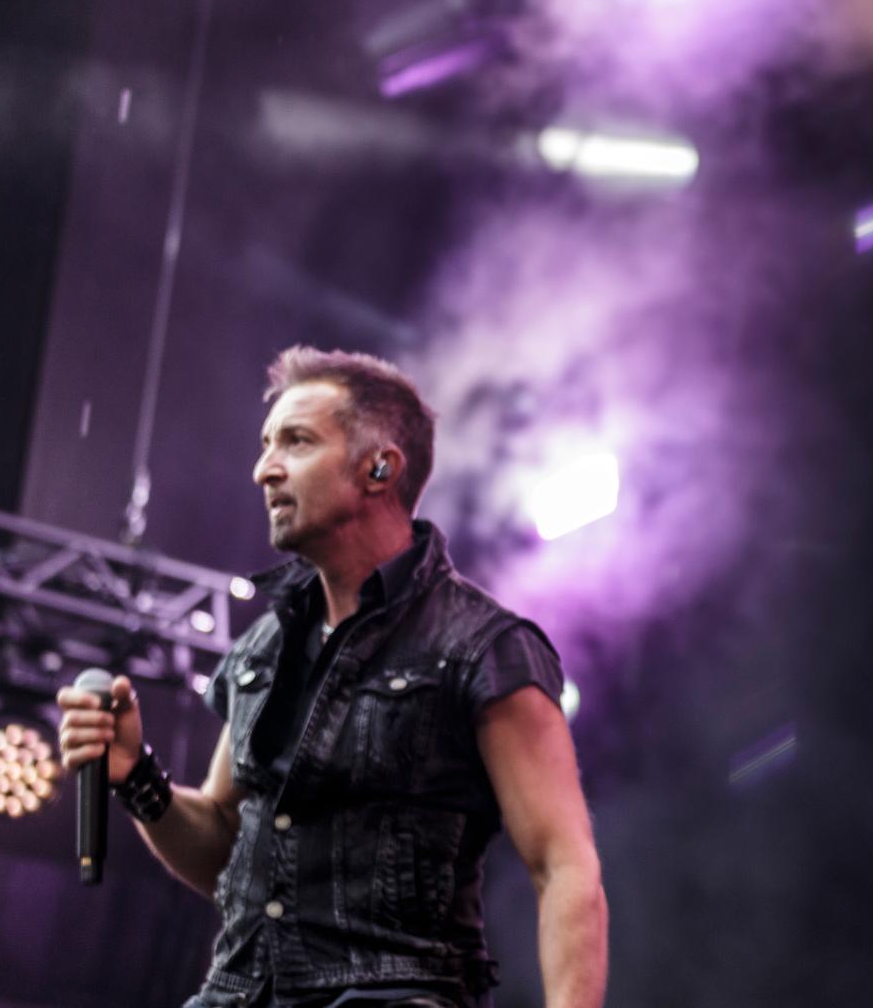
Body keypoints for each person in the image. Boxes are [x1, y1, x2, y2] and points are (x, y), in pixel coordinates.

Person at [57, 347, 608, 1008]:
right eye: (266, 445)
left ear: (380, 468)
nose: (265, 468)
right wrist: (136, 777)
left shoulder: (484, 647)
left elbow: (562, 865)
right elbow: (225, 848)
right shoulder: (264, 646)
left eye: (296, 441)